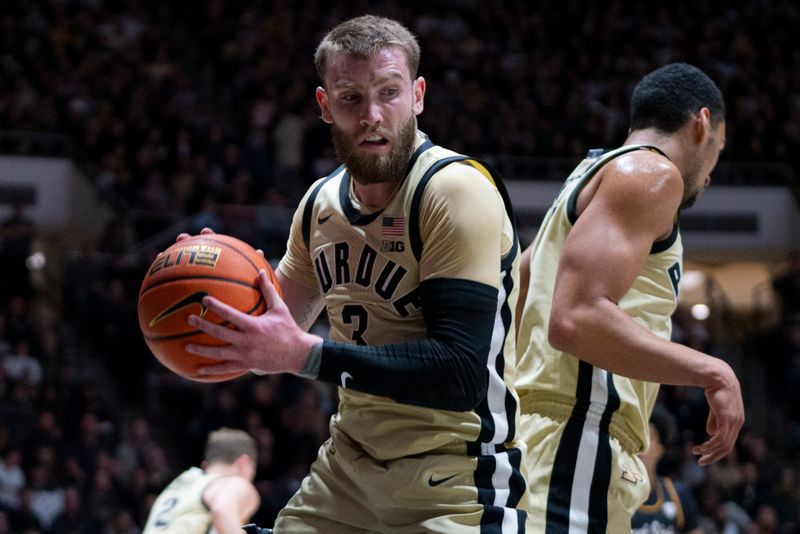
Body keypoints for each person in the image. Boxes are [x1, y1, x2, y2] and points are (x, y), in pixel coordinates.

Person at [182, 14, 527, 533]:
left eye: (388, 93)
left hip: (452, 478)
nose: (372, 115)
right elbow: (270, 336)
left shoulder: (454, 190)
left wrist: (308, 356)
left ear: (418, 95)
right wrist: (210, 280)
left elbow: (458, 373)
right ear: (325, 106)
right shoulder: (320, 203)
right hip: (348, 473)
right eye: (350, 98)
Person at [514, 63, 744, 532]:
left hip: (542, 434)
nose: (711, 174)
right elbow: (574, 319)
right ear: (702, 123)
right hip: (576, 437)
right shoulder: (651, 174)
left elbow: (520, 281)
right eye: (718, 150)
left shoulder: (587, 176)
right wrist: (712, 370)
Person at [142, 428, 260, 534]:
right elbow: (221, 511)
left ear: (205, 466)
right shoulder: (234, 482)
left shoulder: (180, 484)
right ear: (243, 463)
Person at [632, 405, 701, 533]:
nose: (640, 445)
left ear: (660, 449)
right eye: (634, 438)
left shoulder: (678, 494)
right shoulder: (609, 495)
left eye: (647, 437)